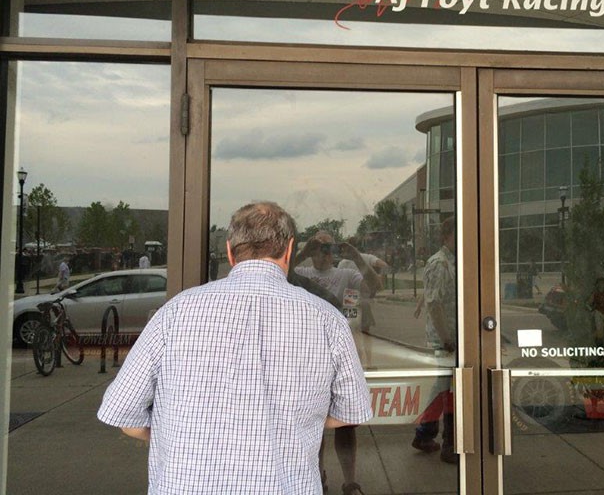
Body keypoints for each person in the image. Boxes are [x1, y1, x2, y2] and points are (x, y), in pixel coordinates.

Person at [97, 202, 372, 495]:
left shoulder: (175, 312)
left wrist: (179, 440)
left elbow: (125, 414)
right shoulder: (327, 319)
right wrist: (298, 426)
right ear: (289, 250)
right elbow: (350, 412)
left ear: (229, 251)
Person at [295, 231, 381, 495]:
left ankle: (350, 480)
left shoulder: (345, 275)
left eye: (328, 247)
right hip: (307, 357)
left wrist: (356, 257)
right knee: (313, 425)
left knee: (345, 423)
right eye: (319, 247)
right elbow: (278, 274)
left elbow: (374, 285)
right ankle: (317, 477)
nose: (324, 252)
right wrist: (303, 252)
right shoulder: (302, 273)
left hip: (339, 355)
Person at [412, 217, 458, 464]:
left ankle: (424, 433)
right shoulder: (439, 263)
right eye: (457, 233)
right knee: (450, 391)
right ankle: (450, 445)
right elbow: (434, 301)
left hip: (454, 336)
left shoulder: (453, 262)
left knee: (442, 387)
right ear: (446, 236)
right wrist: (447, 338)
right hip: (446, 339)